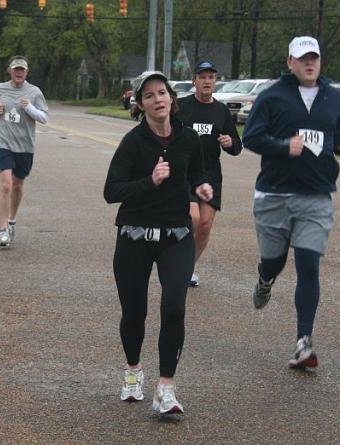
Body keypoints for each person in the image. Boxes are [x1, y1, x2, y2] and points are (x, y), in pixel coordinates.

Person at [242, 36, 340, 369]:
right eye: (303, 58)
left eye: (314, 58)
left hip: (316, 194)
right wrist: (283, 147)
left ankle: (303, 343)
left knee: (309, 265)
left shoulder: (333, 98)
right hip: (274, 195)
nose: (310, 63)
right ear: (290, 62)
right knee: (274, 262)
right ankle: (265, 280)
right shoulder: (271, 96)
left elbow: (339, 134)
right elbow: (250, 137)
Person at [104, 71, 213, 415]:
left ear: (171, 98)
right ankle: (133, 370)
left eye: (162, 92)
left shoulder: (188, 139)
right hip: (134, 236)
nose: (157, 99)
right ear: (140, 104)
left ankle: (166, 387)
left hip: (175, 236)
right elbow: (111, 191)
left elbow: (196, 171)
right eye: (149, 95)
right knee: (134, 312)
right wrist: (149, 181)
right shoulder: (133, 142)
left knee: (174, 307)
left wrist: (201, 186)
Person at [175, 61, 242, 287]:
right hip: (185, 172)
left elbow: (236, 146)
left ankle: (187, 268)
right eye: (202, 77)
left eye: (211, 77)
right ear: (194, 80)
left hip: (210, 174)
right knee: (193, 218)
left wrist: (230, 142)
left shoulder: (221, 111)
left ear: (215, 81)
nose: (207, 81)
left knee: (204, 224)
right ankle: (175, 260)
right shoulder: (182, 107)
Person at [0, 56, 48, 248]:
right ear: (10, 71)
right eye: (16, 69)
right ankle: (3, 230)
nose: (19, 72)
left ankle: (12, 220)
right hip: (3, 142)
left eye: (22, 69)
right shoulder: (0, 88)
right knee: (6, 183)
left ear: (27, 72)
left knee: (18, 185)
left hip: (24, 146)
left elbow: (44, 117)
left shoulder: (34, 92)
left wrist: (29, 108)